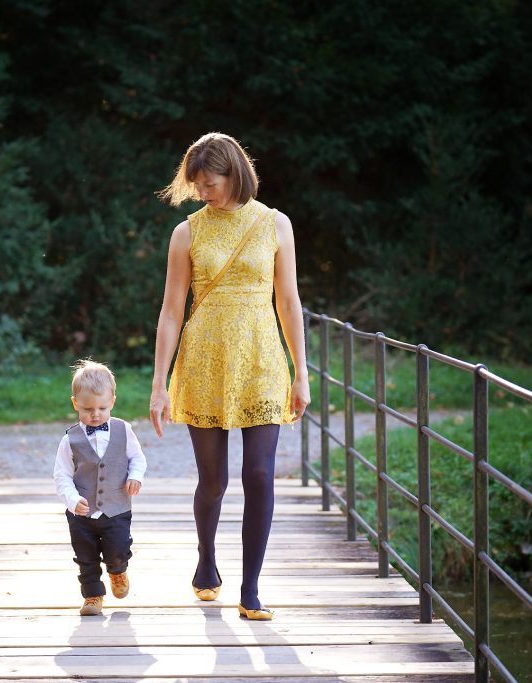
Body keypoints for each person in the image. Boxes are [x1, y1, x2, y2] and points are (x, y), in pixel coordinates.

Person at [149, 132, 310, 621]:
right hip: (204, 360)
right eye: (196, 185)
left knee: (259, 474)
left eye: (210, 183)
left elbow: (288, 302)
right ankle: (206, 560)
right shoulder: (187, 232)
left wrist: (301, 372)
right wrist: (160, 383)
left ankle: (251, 588)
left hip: (262, 359)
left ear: (234, 173)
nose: (203, 192)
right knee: (212, 481)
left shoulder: (275, 224)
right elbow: (172, 311)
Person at [55, 359, 147, 616]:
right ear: (75, 404)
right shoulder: (69, 439)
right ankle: (93, 596)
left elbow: (137, 458)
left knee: (117, 549)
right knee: (85, 556)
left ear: (113, 402)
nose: (95, 415)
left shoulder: (123, 430)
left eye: (102, 408)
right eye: (87, 409)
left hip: (117, 507)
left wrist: (136, 476)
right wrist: (72, 500)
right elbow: (61, 475)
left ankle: (117, 571)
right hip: (81, 512)